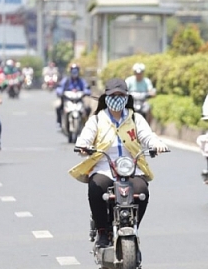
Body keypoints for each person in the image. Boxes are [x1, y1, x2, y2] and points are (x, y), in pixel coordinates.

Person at [69, 78, 169, 247]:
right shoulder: (97, 120)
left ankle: (133, 226)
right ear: (106, 97)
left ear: (126, 97)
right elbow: (84, 138)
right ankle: (102, 231)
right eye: (113, 95)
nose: (117, 98)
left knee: (141, 190)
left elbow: (148, 136)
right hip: (104, 165)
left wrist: (156, 145)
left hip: (131, 166)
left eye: (120, 95)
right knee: (96, 187)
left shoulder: (135, 119)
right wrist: (84, 147)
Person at [55, 63, 91, 130]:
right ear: (70, 71)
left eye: (76, 71)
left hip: (78, 100)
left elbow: (86, 87)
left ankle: (86, 124)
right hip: (67, 100)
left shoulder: (81, 81)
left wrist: (87, 92)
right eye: (73, 71)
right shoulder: (66, 80)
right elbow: (60, 87)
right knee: (58, 107)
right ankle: (59, 123)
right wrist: (60, 92)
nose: (74, 73)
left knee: (88, 108)